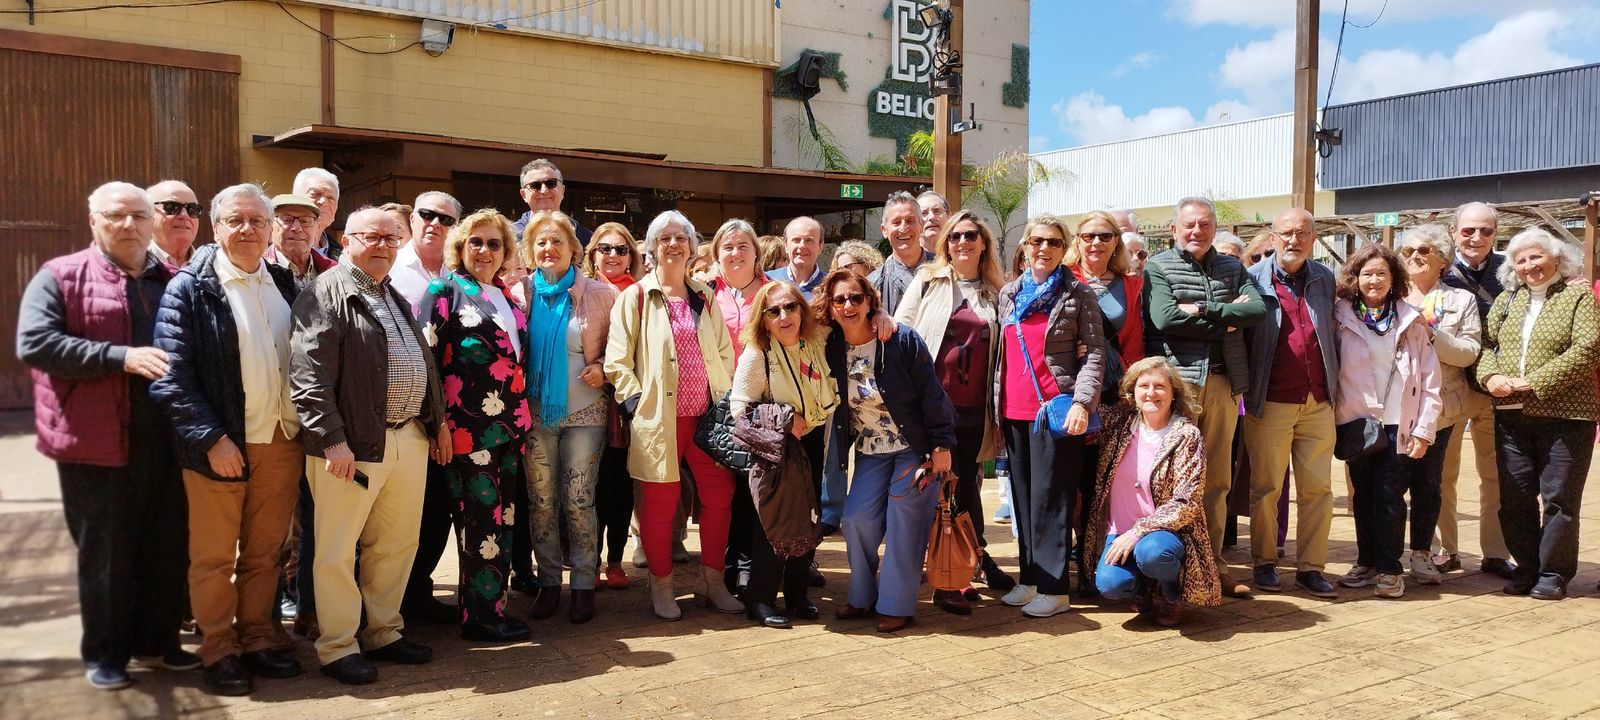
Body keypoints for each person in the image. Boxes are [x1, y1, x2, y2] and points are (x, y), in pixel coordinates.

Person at [16, 181, 191, 691]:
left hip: (165, 439)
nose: (130, 225)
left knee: (165, 546)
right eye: (117, 215)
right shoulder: (61, 276)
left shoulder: (172, 277)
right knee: (106, 554)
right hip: (94, 441)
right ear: (94, 219)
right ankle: (106, 653)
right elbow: (36, 343)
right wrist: (120, 358)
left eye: (139, 215)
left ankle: (158, 643)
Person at [150, 183, 305, 695]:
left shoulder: (284, 283)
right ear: (216, 228)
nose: (246, 230)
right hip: (220, 446)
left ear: (270, 230)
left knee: (265, 554)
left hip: (280, 441)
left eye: (256, 222)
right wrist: (211, 437)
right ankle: (219, 647)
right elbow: (171, 377)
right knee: (214, 557)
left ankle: (258, 636)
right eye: (235, 220)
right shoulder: (191, 287)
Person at [289, 207, 448, 685]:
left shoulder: (389, 292)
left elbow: (420, 361)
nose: (383, 244)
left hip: (406, 439)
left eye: (390, 236)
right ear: (346, 239)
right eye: (371, 236)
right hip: (351, 447)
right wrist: (331, 438)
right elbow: (307, 373)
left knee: (395, 544)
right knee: (337, 550)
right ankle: (337, 646)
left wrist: (434, 422)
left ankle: (383, 631)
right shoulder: (326, 290)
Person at [603, 210, 743, 620]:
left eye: (680, 237)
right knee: (659, 506)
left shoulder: (704, 295)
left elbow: (723, 351)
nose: (673, 244)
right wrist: (636, 405)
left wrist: (725, 395)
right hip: (659, 421)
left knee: (720, 499)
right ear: (651, 248)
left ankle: (711, 582)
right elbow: (617, 362)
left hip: (708, 419)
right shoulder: (636, 297)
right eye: (663, 238)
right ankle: (661, 586)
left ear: (692, 246)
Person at [415, 208, 536, 642]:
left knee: (501, 522)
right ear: (460, 247)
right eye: (476, 242)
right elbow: (424, 362)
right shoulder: (444, 289)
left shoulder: (505, 295)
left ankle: (492, 608)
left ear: (506, 252)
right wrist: (436, 426)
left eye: (494, 244)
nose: (484, 251)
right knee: (479, 525)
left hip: (509, 429)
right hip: (465, 431)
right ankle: (482, 619)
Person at [893, 209, 1017, 615]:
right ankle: (947, 574)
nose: (962, 242)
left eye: (970, 236)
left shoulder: (997, 292)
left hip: (974, 409)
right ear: (945, 244)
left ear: (984, 243)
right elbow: (900, 330)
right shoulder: (928, 281)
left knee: (965, 487)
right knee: (939, 487)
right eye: (955, 236)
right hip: (931, 408)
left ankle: (968, 563)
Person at [1142, 196, 1265, 598]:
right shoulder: (1159, 266)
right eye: (1189, 224)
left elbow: (1257, 311)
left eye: (1205, 224)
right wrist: (1227, 317)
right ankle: (1170, 569)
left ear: (1215, 228)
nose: (1197, 231)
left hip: (1224, 383)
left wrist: (1203, 309)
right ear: (1174, 229)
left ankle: (1211, 565)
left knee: (1216, 481)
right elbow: (1165, 318)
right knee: (1173, 481)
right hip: (1181, 385)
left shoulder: (1233, 266)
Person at [821, 271, 956, 632]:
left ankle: (897, 604)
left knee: (903, 521)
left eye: (856, 298)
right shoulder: (830, 344)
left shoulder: (899, 339)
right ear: (830, 308)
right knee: (856, 520)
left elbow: (932, 393)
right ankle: (862, 597)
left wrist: (941, 445)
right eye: (839, 300)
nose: (848, 306)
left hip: (915, 448)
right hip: (870, 448)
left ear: (870, 300)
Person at [1476, 228, 1599, 600]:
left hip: (1567, 415)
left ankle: (1553, 573)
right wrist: (1490, 375)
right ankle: (1526, 567)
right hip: (1512, 414)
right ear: (1512, 266)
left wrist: (1533, 381)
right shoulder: (1508, 300)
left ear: (1556, 259)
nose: (1530, 266)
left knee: (1559, 497)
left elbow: (1590, 347)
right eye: (1521, 259)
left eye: (1537, 257)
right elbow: (1485, 344)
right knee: (1515, 495)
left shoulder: (1578, 295)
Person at [995, 214, 1107, 618]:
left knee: (1052, 500)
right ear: (1024, 246)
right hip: (1013, 410)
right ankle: (1030, 580)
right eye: (1037, 241)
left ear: (1064, 249)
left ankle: (1056, 587)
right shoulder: (1009, 293)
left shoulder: (1078, 293)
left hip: (1057, 411)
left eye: (1054, 243)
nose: (1044, 249)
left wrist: (1082, 402)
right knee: (1024, 499)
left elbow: (1095, 351)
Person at [519, 210, 619, 625]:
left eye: (557, 241)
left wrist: (604, 367)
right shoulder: (518, 293)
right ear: (530, 250)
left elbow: (622, 349)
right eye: (541, 242)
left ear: (573, 249)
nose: (549, 249)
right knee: (541, 501)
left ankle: (581, 582)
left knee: (579, 500)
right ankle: (547, 582)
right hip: (536, 413)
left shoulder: (601, 293)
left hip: (585, 411)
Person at [1333, 244, 1444, 599]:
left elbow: (1430, 379)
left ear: (1394, 278)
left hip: (1401, 422)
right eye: (1367, 273)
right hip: (1357, 420)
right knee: (1362, 496)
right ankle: (1367, 561)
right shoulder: (1341, 315)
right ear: (1355, 277)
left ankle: (1390, 568)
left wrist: (1425, 429)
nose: (1374, 280)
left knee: (1389, 495)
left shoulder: (1411, 318)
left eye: (1382, 273)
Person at [1240, 208, 1340, 597]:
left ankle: (1311, 567)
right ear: (1272, 236)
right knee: (1266, 488)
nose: (1293, 240)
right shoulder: (1251, 282)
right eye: (1286, 233)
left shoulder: (1325, 279)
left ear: (1313, 237)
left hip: (1318, 401)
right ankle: (1265, 561)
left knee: (1318, 489)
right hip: (1271, 401)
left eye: (1301, 233)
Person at [731, 282, 839, 628]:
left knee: (808, 519)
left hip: (811, 442)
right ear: (763, 320)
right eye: (773, 311)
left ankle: (797, 595)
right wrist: (784, 419)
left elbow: (845, 295)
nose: (784, 316)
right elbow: (739, 410)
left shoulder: (814, 342)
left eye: (791, 307)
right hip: (775, 451)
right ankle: (760, 600)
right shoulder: (757, 354)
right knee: (773, 524)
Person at [1086, 357, 1221, 627]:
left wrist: (1138, 531)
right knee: (1109, 585)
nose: (1151, 393)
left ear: (1173, 393)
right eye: (1143, 386)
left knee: (1153, 555)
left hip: (1163, 534)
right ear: (1132, 393)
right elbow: (1084, 407)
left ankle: (1171, 594)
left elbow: (1187, 502)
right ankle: (1142, 589)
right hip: (1119, 531)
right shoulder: (1119, 425)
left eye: (1159, 386)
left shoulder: (1186, 435)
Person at [392, 192, 471, 626]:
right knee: (399, 515)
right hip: (401, 413)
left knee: (436, 509)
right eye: (426, 214)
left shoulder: (458, 277)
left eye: (445, 218)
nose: (434, 224)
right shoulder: (393, 268)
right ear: (412, 216)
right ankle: (390, 602)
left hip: (449, 416)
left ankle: (417, 594)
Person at [1066, 210, 1145, 594]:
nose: (1095, 243)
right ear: (1077, 240)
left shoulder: (1131, 285)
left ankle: (1093, 562)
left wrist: (1131, 394)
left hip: (1115, 398)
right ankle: (1067, 564)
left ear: (1116, 242)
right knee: (1070, 483)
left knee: (1103, 484)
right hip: (1070, 395)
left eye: (1105, 236)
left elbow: (1136, 343)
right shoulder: (1063, 278)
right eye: (1088, 235)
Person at [1437, 201, 1516, 579]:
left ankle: (1496, 553)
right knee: (1441, 473)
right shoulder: (1436, 270)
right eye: (1468, 230)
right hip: (1450, 386)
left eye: (1485, 230)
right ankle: (1444, 550)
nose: (1476, 237)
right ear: (1454, 232)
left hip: (1496, 388)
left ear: (1495, 234)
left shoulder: (1512, 269)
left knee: (1496, 473)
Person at [1400, 224, 1482, 586]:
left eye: (1424, 251)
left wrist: (1433, 332)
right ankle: (1380, 556)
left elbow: (1468, 353)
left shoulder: (1460, 301)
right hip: (1392, 407)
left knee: (1429, 483)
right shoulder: (1389, 294)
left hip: (1439, 407)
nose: (1414, 257)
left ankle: (1422, 554)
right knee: (1388, 484)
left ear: (1443, 261)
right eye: (1408, 252)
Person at [581, 222, 644, 587]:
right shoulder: (580, 291)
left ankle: (616, 559)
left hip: (623, 404)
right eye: (605, 248)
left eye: (622, 249)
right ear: (593, 254)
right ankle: (587, 558)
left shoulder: (639, 294)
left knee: (618, 485)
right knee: (586, 485)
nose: (614, 256)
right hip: (583, 398)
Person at [869, 192, 932, 314]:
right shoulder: (873, 284)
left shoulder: (944, 269)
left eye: (910, 220)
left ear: (922, 226)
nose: (903, 228)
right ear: (884, 230)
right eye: (896, 222)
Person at [265, 193, 336, 291]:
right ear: (270, 225)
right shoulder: (259, 270)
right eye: (287, 219)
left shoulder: (333, 271)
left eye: (306, 221)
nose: (297, 228)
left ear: (317, 227)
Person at [512, 158, 592, 244]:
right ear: (523, 195)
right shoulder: (510, 237)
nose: (544, 191)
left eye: (551, 183)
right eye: (535, 185)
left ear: (562, 190)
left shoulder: (587, 239)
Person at [766, 216, 827, 299]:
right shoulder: (768, 281)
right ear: (786, 245)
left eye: (809, 240)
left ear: (820, 246)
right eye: (796, 240)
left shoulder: (830, 285)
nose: (802, 246)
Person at [147, 179, 202, 270]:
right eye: (172, 207)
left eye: (192, 209)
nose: (185, 215)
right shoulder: (129, 267)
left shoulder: (215, 267)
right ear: (147, 214)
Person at [292, 168, 342, 261]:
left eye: (330, 198)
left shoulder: (342, 257)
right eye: (315, 194)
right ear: (295, 198)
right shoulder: (275, 250)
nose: (323, 202)